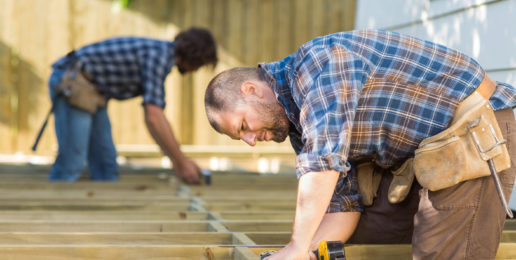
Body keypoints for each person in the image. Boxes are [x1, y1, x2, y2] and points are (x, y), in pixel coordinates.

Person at [204, 29, 516, 259]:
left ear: (251, 90)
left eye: (243, 126)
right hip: (429, 159)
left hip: (472, 135)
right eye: (240, 137)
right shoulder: (300, 128)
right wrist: (308, 254)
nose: (249, 141)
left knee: (440, 251)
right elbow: (344, 206)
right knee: (369, 234)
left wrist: (296, 247)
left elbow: (323, 161)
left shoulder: (317, 64)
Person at [48, 27, 217, 183]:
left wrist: (178, 160)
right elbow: (154, 117)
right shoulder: (159, 56)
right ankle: (53, 209)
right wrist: (180, 162)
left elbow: (154, 119)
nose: (196, 70)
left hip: (94, 90)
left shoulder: (161, 54)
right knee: (71, 164)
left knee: (106, 168)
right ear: (195, 57)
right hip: (73, 81)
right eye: (200, 65)